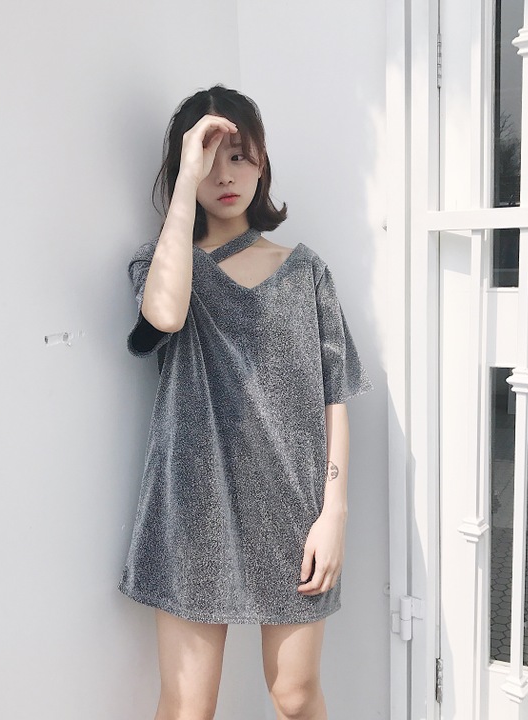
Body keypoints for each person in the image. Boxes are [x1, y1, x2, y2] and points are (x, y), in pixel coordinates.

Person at [120, 85, 372, 720]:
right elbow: (163, 314)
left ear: (262, 162)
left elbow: (334, 394)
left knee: (295, 694)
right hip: (193, 509)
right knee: (188, 704)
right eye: (209, 160)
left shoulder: (305, 270)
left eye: (240, 156)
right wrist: (185, 184)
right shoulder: (164, 265)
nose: (225, 176)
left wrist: (334, 512)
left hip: (292, 509)